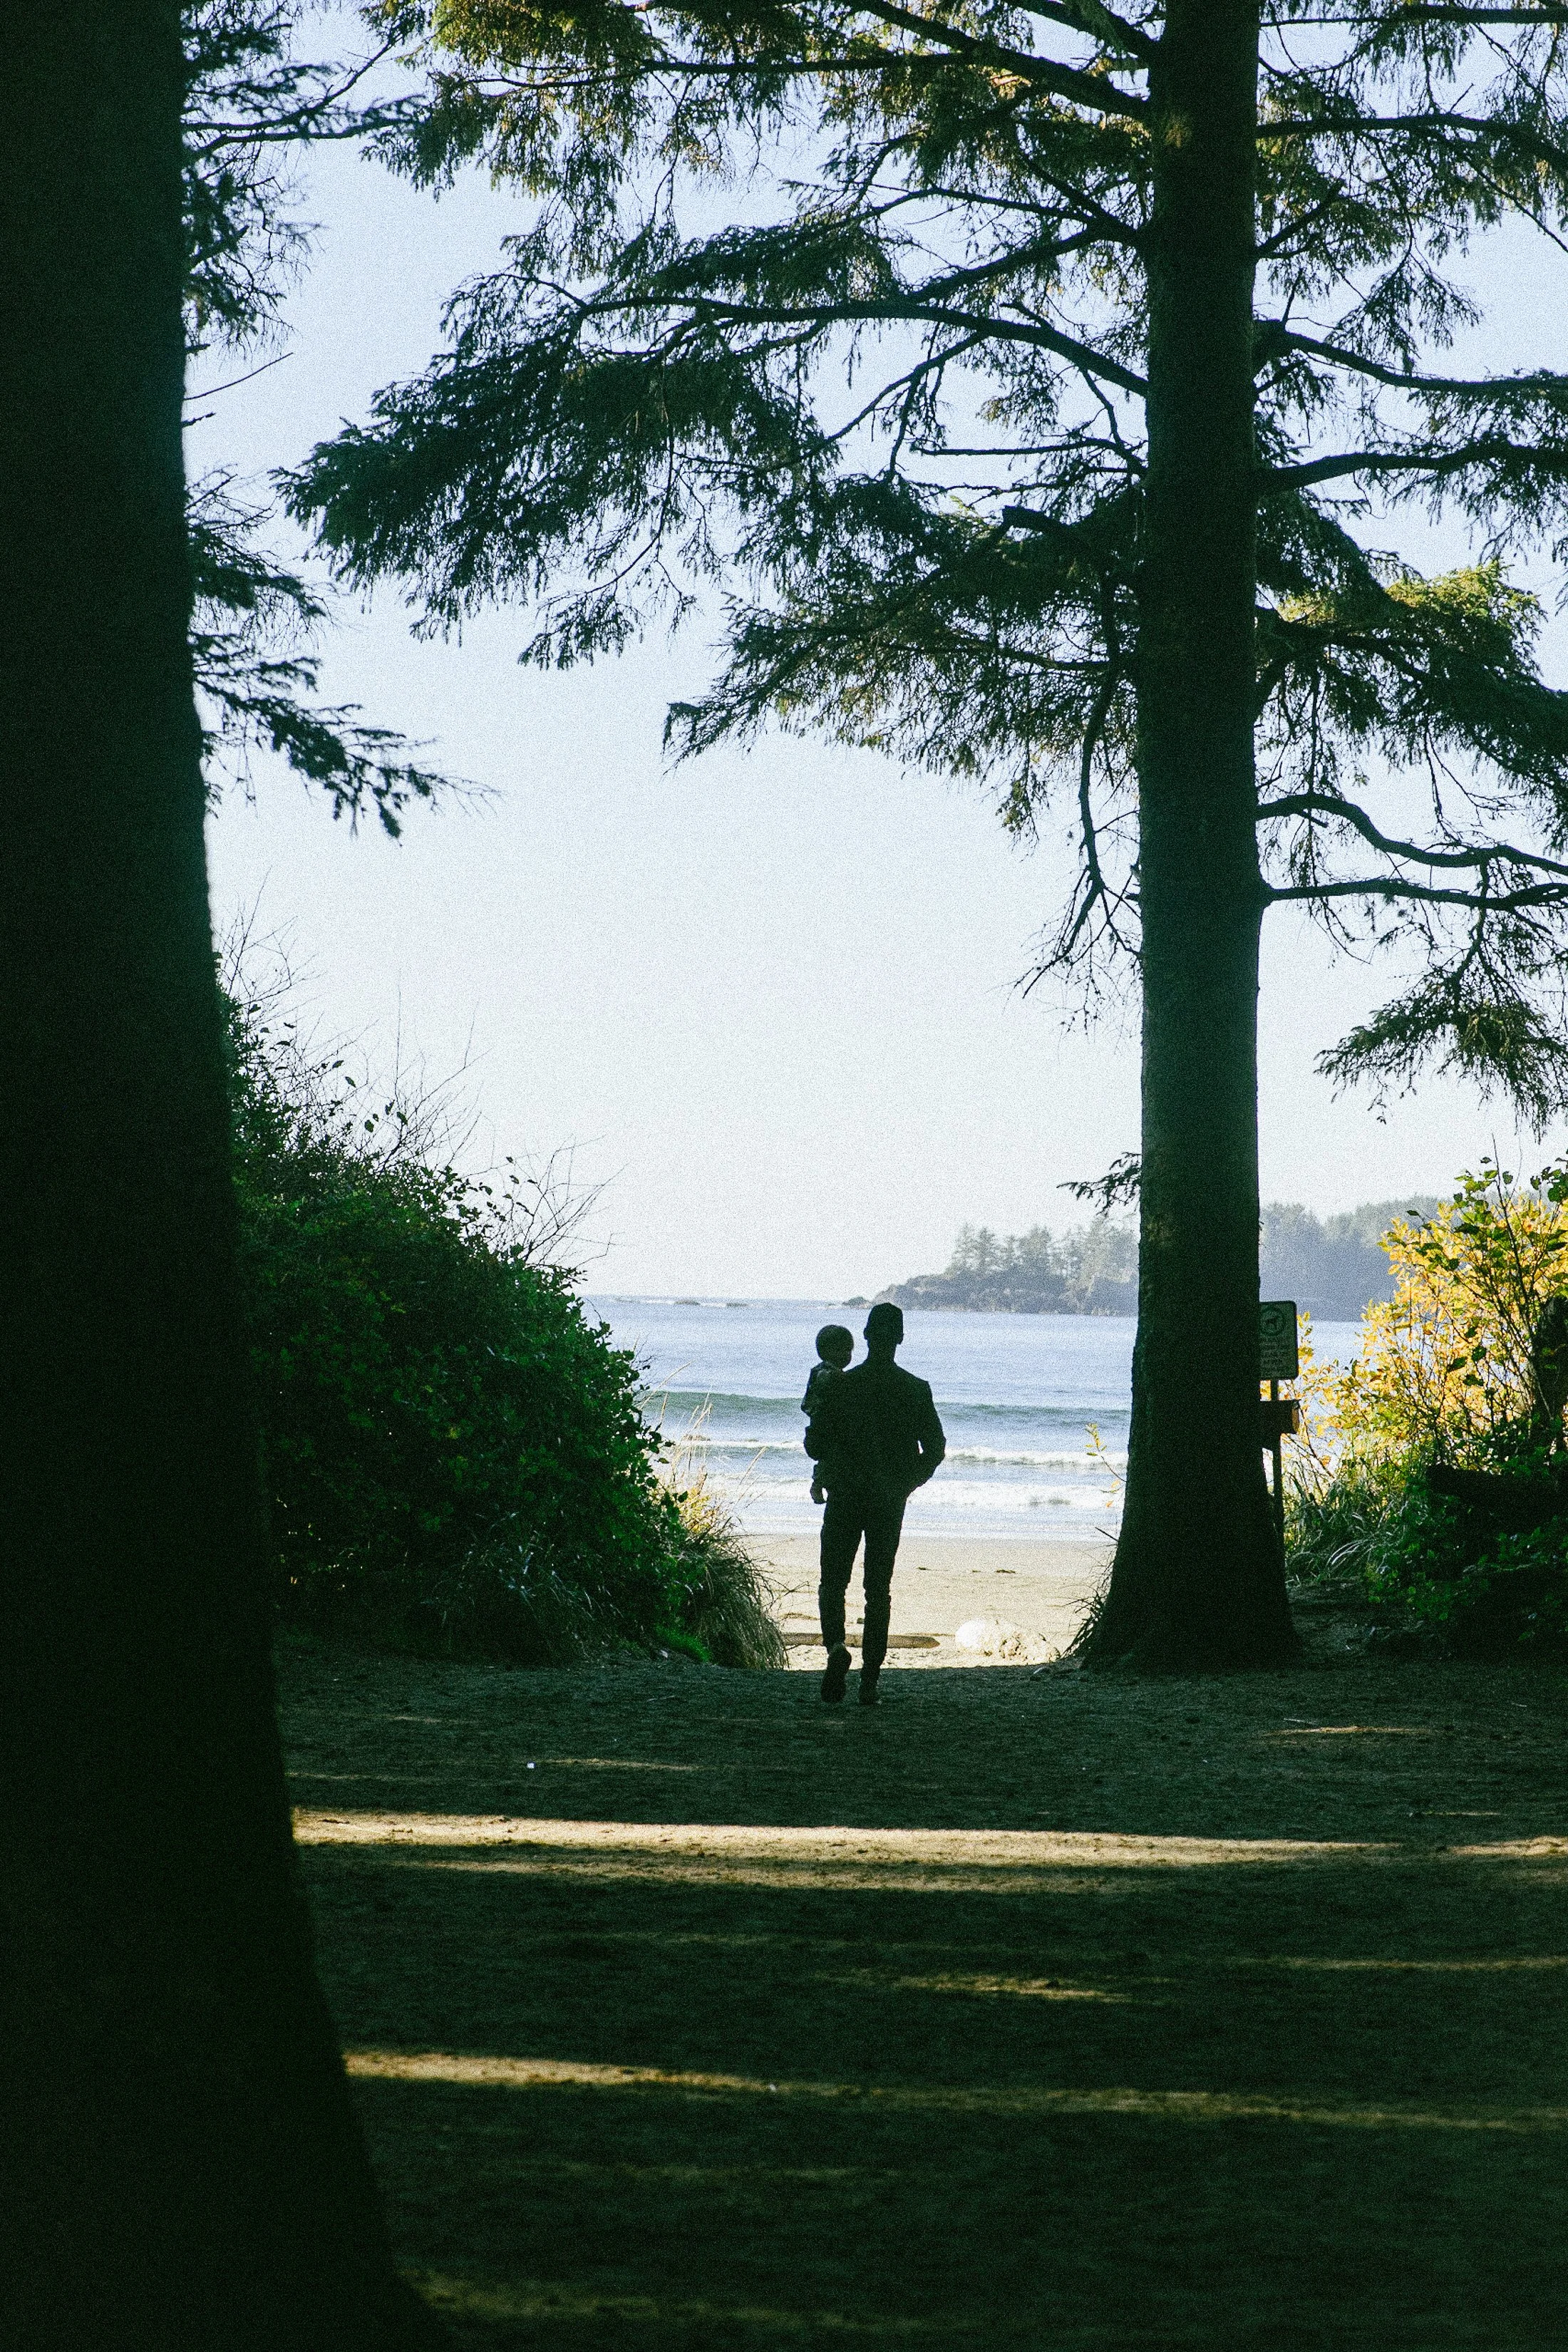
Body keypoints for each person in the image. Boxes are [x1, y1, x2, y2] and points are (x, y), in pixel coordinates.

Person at [805, 1301, 945, 1706]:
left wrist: (826, 1459)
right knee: (877, 1590)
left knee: (833, 1582)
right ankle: (870, 1683)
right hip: (887, 1500)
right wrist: (904, 1484)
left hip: (846, 1496)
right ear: (900, 1338)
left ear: (865, 1336)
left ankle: (835, 1649)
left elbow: (816, 1446)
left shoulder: (842, 1385)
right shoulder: (915, 1389)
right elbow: (934, 1449)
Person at [802, 1323, 855, 1504]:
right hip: (823, 1425)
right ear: (827, 1351)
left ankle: (818, 1482)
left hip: (820, 1423)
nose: (847, 1356)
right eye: (843, 1350)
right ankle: (817, 1483)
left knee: (828, 1457)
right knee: (830, 1455)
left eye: (849, 1351)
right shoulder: (826, 1373)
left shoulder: (825, 1371)